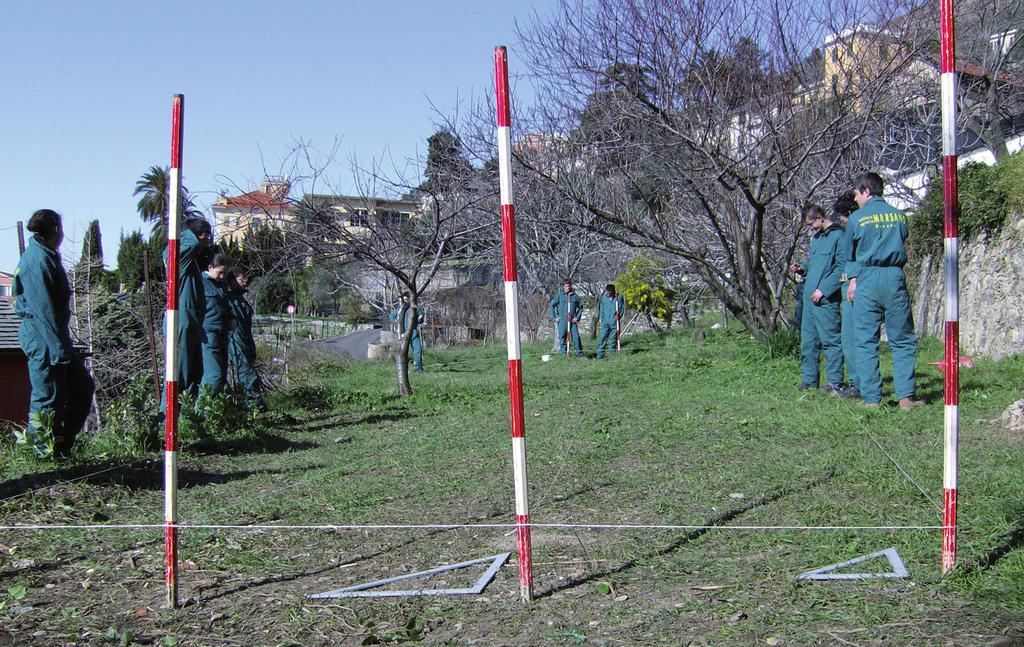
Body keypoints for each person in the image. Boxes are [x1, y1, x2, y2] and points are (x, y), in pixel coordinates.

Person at [14, 209, 95, 458]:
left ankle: (61, 444)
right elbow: (43, 311)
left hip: (56, 338)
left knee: (82, 388)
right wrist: (58, 351)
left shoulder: (46, 256)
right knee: (47, 397)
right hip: (43, 338)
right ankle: (43, 454)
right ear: (55, 229)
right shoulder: (36, 261)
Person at [846, 172, 924, 411]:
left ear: (866, 191)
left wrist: (852, 280)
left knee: (866, 341)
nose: (855, 199)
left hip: (867, 278)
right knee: (902, 339)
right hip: (894, 276)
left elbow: (849, 255)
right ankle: (906, 398)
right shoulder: (899, 216)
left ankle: (871, 399)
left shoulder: (856, 219)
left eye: (856, 194)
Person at [789, 204, 847, 396]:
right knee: (808, 341)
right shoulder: (816, 239)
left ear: (820, 217)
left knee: (830, 341)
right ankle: (809, 378)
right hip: (808, 299)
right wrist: (802, 267)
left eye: (811, 223)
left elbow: (841, 269)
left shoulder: (839, 236)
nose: (810, 228)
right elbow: (815, 265)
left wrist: (824, 290)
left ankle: (834, 381)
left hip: (824, 300)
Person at [163, 217, 210, 409]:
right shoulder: (180, 258)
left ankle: (186, 421)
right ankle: (165, 423)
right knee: (177, 376)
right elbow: (171, 251)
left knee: (194, 374)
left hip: (192, 324)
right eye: (206, 237)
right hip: (180, 324)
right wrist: (191, 233)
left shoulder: (191, 263)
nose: (208, 242)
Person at [833, 190, 861, 397]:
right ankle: (859, 382)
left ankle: (858, 385)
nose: (841, 222)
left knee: (852, 339)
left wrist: (852, 281)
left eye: (842, 217)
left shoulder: (855, 229)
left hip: (855, 288)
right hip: (853, 287)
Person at [225, 271, 266, 411]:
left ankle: (253, 405)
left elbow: (246, 327)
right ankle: (256, 406)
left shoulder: (239, 299)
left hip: (244, 340)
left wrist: (251, 348)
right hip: (235, 341)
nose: (245, 281)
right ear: (232, 279)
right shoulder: (229, 299)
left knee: (247, 371)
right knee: (246, 373)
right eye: (242, 278)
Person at [199, 253, 234, 398]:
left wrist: (233, 318)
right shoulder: (200, 283)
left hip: (223, 336)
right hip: (208, 337)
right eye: (220, 273)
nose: (222, 277)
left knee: (220, 378)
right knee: (214, 377)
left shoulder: (223, 285)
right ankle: (201, 414)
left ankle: (211, 414)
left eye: (225, 274)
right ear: (210, 267)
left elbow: (227, 306)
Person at [389, 291, 423, 371]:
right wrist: (397, 322)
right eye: (405, 299)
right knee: (402, 351)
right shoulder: (400, 310)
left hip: (413, 331)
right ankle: (402, 368)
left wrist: (419, 319)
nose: (406, 301)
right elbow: (391, 317)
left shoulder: (416, 308)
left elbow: (421, 316)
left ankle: (418, 367)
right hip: (402, 333)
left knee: (417, 350)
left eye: (407, 299)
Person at [549, 279, 584, 357]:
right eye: (566, 286)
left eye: (568, 286)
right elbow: (552, 305)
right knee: (562, 338)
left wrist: (577, 317)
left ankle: (580, 354)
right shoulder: (560, 296)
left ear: (570, 286)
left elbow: (581, 307)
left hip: (572, 321)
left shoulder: (575, 296)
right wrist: (554, 317)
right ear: (563, 287)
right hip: (562, 321)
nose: (567, 287)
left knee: (576, 337)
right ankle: (563, 356)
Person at [596, 283, 624, 358]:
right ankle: (600, 354)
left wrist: (617, 317)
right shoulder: (603, 298)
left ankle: (611, 354)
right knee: (602, 337)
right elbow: (601, 309)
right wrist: (602, 319)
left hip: (614, 322)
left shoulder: (619, 297)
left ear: (613, 291)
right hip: (605, 322)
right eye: (607, 292)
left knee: (613, 338)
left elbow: (621, 308)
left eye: (609, 292)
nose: (607, 293)